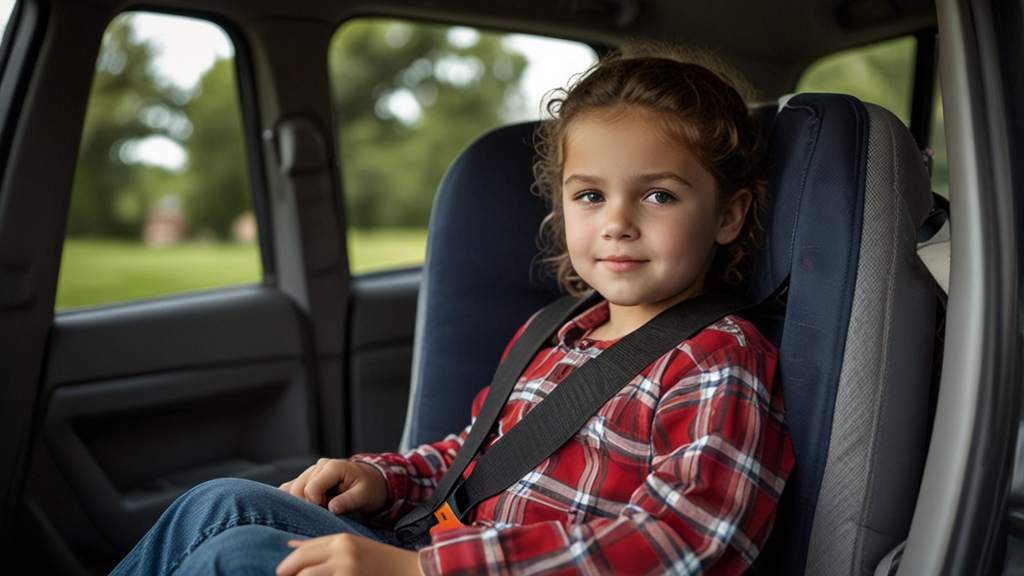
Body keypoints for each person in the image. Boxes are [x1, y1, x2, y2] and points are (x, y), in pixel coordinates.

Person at [110, 43, 795, 576]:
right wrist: (384, 480)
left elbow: (686, 546)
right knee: (220, 502)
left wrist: (419, 568)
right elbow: (470, 461)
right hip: (447, 550)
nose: (616, 222)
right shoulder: (555, 333)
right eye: (591, 195)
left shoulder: (716, 359)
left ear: (729, 214)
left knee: (238, 559)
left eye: (659, 196)